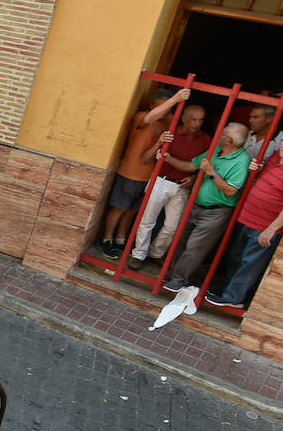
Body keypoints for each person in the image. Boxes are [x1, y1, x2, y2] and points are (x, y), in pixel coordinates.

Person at [98, 88, 190, 259]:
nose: (165, 111)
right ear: (151, 105)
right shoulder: (142, 117)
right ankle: (106, 239)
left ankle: (120, 239)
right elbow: (150, 118)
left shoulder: (168, 120)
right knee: (120, 208)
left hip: (152, 177)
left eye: (168, 108)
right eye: (161, 107)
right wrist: (175, 99)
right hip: (131, 172)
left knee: (133, 210)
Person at [164, 123, 252, 293]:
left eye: (223, 133)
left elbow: (231, 191)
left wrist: (212, 172)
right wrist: (167, 158)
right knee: (180, 239)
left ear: (230, 140)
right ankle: (173, 273)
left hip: (216, 212)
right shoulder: (216, 151)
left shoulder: (242, 161)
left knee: (196, 247)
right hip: (195, 205)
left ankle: (179, 279)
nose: (219, 134)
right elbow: (191, 166)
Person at [127, 103, 212, 270]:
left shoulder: (206, 140)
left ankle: (155, 253)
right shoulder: (170, 134)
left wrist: (194, 178)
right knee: (147, 221)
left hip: (182, 187)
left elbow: (204, 165)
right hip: (160, 181)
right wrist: (159, 142)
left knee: (173, 226)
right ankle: (138, 254)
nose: (197, 124)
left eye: (201, 120)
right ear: (183, 118)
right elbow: (145, 159)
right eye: (193, 119)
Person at [205, 150, 283, 309]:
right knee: (236, 257)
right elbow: (261, 175)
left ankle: (234, 297)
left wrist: (271, 229)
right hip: (247, 217)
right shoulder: (276, 157)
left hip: (264, 227)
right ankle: (229, 290)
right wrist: (256, 168)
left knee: (250, 264)